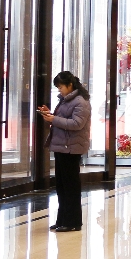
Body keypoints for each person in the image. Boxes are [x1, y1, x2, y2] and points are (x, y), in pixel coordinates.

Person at [38, 71, 91, 232]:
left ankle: (73, 221)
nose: (59, 90)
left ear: (70, 85)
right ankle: (62, 219)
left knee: (70, 186)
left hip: (71, 148)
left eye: (60, 87)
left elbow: (77, 124)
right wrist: (50, 114)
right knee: (61, 186)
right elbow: (64, 119)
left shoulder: (80, 102)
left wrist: (54, 119)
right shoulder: (66, 100)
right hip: (62, 146)